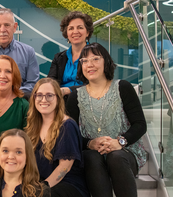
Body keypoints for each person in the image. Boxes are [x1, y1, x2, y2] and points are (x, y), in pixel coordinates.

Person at [66, 43, 147, 197]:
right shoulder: (75, 96)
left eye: (95, 59)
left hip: (125, 152)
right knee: (90, 156)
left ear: (106, 62)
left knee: (115, 157)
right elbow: (71, 134)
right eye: (84, 61)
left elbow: (140, 125)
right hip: (93, 156)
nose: (90, 64)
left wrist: (120, 142)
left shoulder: (122, 87)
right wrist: (90, 143)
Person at [25, 78, 89, 197]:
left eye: (49, 95)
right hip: (42, 183)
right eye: (39, 95)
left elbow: (64, 168)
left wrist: (41, 189)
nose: (44, 100)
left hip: (67, 186)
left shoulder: (66, 126)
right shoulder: (33, 127)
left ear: (58, 99)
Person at [0, 129, 50, 197]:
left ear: (27, 157)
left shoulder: (41, 193)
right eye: (5, 151)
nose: (11, 156)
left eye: (18, 152)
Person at [47, 11, 93, 101]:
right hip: (60, 100)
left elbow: (96, 84)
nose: (75, 32)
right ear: (67, 34)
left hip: (86, 99)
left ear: (87, 32)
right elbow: (51, 81)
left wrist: (69, 90)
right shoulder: (59, 57)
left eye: (80, 27)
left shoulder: (96, 55)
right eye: (71, 28)